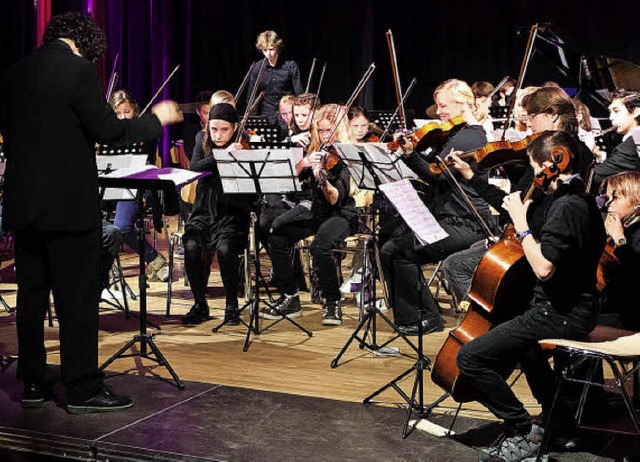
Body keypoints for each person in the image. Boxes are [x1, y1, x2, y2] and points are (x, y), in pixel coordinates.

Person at [0, 12, 182, 413]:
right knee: (76, 299)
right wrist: (155, 120)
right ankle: (81, 388)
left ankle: (31, 382)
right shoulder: (79, 71)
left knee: (31, 299)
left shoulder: (14, 73)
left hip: (24, 206)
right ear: (83, 42)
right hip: (67, 207)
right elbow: (109, 131)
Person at [455, 131, 606, 461]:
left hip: (562, 314)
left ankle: (523, 429)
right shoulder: (577, 199)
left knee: (470, 359)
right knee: (527, 352)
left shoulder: (567, 207)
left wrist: (521, 224)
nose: (534, 174)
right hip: (566, 308)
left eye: (535, 166)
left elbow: (544, 269)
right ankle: (561, 425)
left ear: (550, 164)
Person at [443, 86, 594, 304]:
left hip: (539, 243)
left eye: (532, 116)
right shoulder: (578, 150)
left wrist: (473, 177)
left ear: (552, 115)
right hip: (541, 235)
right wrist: (472, 173)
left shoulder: (553, 157)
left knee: (456, 265)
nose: (528, 123)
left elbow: (514, 209)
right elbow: (519, 202)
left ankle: (492, 320)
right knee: (477, 248)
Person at [380, 79, 494, 335]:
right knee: (390, 242)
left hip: (468, 223)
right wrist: (411, 151)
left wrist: (410, 155)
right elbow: (433, 165)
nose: (439, 112)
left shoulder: (470, 137)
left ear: (463, 103)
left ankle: (426, 317)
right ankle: (413, 315)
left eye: (443, 106)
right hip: (447, 219)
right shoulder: (455, 135)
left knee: (398, 251)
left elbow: (436, 175)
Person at [261, 104, 358, 325]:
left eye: (328, 131)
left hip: (342, 215)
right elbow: (288, 179)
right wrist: (305, 161)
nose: (325, 136)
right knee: (277, 235)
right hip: (317, 211)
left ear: (339, 130)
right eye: (321, 131)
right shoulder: (315, 151)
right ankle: (290, 296)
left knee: (320, 247)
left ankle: (332, 303)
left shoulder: (346, 157)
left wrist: (322, 179)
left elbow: (335, 199)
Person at [181, 103, 253, 326]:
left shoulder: (243, 147)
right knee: (192, 246)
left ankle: (232, 306)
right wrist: (222, 155)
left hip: (232, 211)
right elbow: (195, 167)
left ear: (234, 128)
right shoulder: (201, 142)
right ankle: (200, 304)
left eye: (224, 130)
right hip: (203, 211)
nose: (218, 135)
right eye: (214, 129)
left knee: (224, 250)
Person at [108, 89, 170, 282]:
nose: (122, 117)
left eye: (126, 111)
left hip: (137, 186)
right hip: (108, 187)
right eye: (117, 113)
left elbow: (150, 164)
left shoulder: (144, 133)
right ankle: (102, 265)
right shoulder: (107, 134)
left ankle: (155, 260)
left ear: (134, 110)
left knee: (122, 227)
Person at [598, 171, 640, 331]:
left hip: (631, 317)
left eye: (615, 198)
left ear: (635, 199)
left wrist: (620, 240)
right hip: (615, 308)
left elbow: (635, 274)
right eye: (607, 198)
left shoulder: (634, 233)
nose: (608, 203)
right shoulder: (624, 227)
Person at [246, 31, 302, 123]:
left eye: (271, 49)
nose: (268, 53)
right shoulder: (257, 68)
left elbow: (299, 93)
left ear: (277, 47)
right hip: (267, 115)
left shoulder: (290, 66)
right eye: (264, 50)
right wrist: (253, 120)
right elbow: (251, 97)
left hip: (287, 114)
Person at [591, 89, 640, 191]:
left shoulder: (630, 147)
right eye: (610, 112)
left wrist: (586, 150)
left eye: (616, 111)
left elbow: (594, 177)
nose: (611, 117)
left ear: (635, 112)